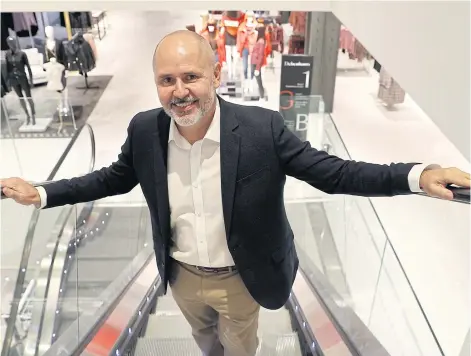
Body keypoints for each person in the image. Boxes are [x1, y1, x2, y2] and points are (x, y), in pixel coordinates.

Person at [1, 30, 469, 356]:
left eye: (191, 77)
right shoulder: (145, 130)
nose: (179, 92)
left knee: (241, 344)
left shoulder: (263, 129)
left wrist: (415, 175)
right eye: (167, 80)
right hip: (182, 275)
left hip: (241, 279)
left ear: (216, 74)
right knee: (204, 338)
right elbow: (110, 178)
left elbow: (335, 173)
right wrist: (42, 192)